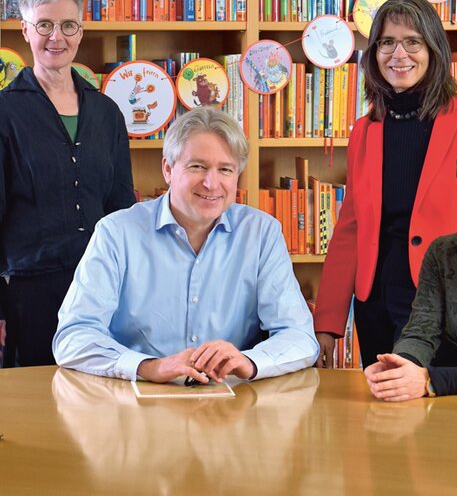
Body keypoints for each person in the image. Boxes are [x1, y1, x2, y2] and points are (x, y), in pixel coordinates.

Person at [53, 108, 319, 383]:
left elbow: (299, 336)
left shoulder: (262, 233)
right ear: (168, 169)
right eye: (197, 166)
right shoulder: (117, 232)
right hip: (134, 402)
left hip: (226, 405)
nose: (211, 183)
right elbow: (73, 337)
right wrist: (149, 367)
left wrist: (249, 362)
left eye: (225, 169)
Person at [313, 0, 457, 369]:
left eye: (412, 41)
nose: (399, 54)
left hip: (444, 298)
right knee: (383, 411)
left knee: (439, 415)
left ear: (433, 48)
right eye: (386, 42)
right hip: (376, 300)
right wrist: (329, 322)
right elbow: (351, 226)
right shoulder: (366, 130)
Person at [0, 0, 135, 368]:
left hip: (101, 288)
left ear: (81, 30)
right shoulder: (5, 113)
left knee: (98, 402)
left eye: (68, 25)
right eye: (44, 25)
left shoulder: (107, 113)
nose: (56, 37)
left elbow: (121, 207)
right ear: (25, 30)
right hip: (27, 291)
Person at [365, 137, 457, 400]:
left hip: (445, 391)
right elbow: (422, 329)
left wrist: (432, 381)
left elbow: (432, 381)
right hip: (449, 411)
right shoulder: (442, 252)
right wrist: (402, 367)